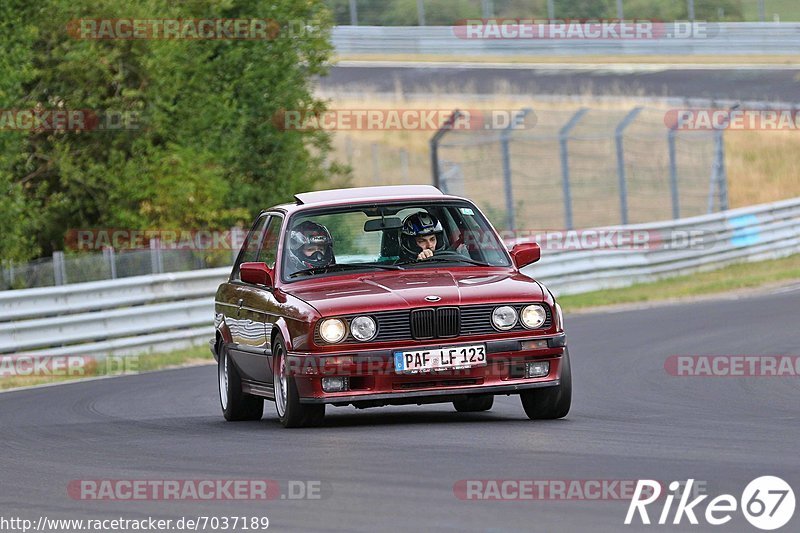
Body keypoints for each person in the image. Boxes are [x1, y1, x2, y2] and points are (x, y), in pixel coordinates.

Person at [400, 211, 467, 261]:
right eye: (422, 241)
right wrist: (418, 263)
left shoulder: (450, 258)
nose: (430, 245)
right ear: (410, 244)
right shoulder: (399, 267)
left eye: (432, 239)